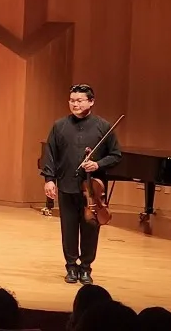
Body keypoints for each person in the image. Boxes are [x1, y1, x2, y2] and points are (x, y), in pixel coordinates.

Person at [41, 83, 121, 285]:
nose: (74, 104)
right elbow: (50, 154)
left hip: (92, 190)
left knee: (90, 229)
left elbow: (116, 155)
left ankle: (85, 268)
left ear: (91, 101)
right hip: (66, 184)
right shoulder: (59, 126)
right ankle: (70, 267)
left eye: (79, 100)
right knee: (68, 229)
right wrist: (49, 179)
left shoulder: (104, 127)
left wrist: (98, 164)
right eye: (72, 100)